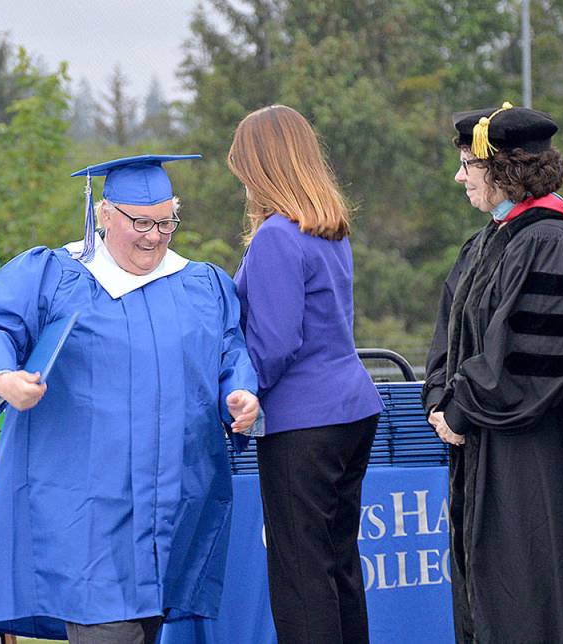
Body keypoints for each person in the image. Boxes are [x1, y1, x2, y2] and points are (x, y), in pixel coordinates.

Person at [0, 154, 261, 644]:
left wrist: (239, 394)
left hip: (173, 505)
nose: (154, 237)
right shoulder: (55, 275)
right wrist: (3, 378)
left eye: (165, 222)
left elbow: (229, 352)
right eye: (141, 222)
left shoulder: (201, 285)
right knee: (107, 625)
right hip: (85, 511)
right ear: (104, 214)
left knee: (145, 624)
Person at [423, 103, 563, 643]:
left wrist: (462, 407)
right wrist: (439, 400)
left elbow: (535, 358)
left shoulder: (547, 241)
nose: (459, 177)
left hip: (538, 457)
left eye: (468, 164)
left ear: (505, 169)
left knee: (532, 597)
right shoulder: (487, 241)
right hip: (486, 444)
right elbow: (448, 334)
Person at [226, 105, 384, 644]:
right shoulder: (327, 229)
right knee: (338, 566)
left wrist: (238, 391)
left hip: (302, 422)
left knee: (301, 576)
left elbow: (274, 342)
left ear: (263, 166)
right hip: (352, 410)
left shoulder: (276, 236)